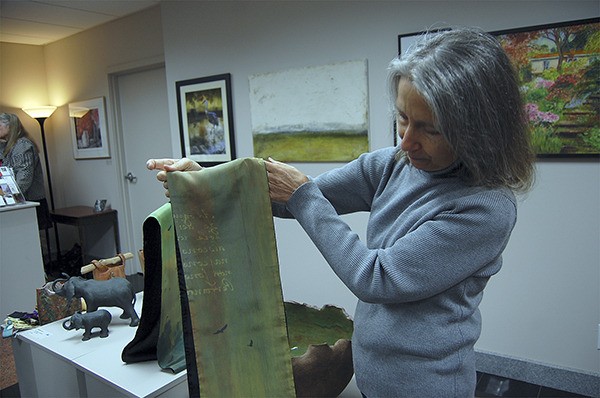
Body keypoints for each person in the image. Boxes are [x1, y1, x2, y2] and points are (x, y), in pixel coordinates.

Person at [147, 27, 535, 397]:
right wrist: (206, 180)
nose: (407, 140)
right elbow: (292, 201)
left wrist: (301, 195)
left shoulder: (485, 208)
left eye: (429, 129)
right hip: (372, 375)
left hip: (425, 385)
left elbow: (377, 278)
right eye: (402, 118)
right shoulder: (393, 164)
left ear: (479, 130)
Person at [0, 113, 52, 230]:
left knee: (32, 240)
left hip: (29, 201)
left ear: (10, 127)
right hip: (18, 202)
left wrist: (10, 197)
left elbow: (24, 176)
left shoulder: (22, 145)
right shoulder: (6, 146)